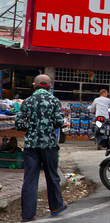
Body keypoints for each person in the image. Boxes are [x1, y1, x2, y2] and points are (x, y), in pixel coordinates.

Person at [15, 74, 67, 222]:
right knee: (52, 175)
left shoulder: (27, 101)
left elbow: (18, 124)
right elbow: (59, 121)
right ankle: (56, 206)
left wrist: (31, 128)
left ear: (34, 85)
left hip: (31, 146)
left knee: (30, 179)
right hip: (49, 145)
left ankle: (27, 214)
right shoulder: (54, 100)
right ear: (50, 86)